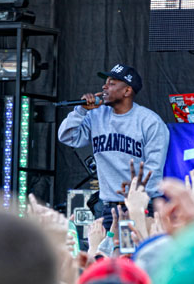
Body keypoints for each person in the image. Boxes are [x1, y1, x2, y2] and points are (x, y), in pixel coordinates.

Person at [58, 64, 169, 229]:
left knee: (137, 253)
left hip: (142, 205)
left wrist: (135, 199)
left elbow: (154, 169)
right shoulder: (96, 115)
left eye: (112, 82)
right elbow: (67, 136)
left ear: (127, 91)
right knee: (107, 253)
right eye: (105, 82)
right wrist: (81, 111)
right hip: (109, 207)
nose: (104, 86)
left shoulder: (150, 122)